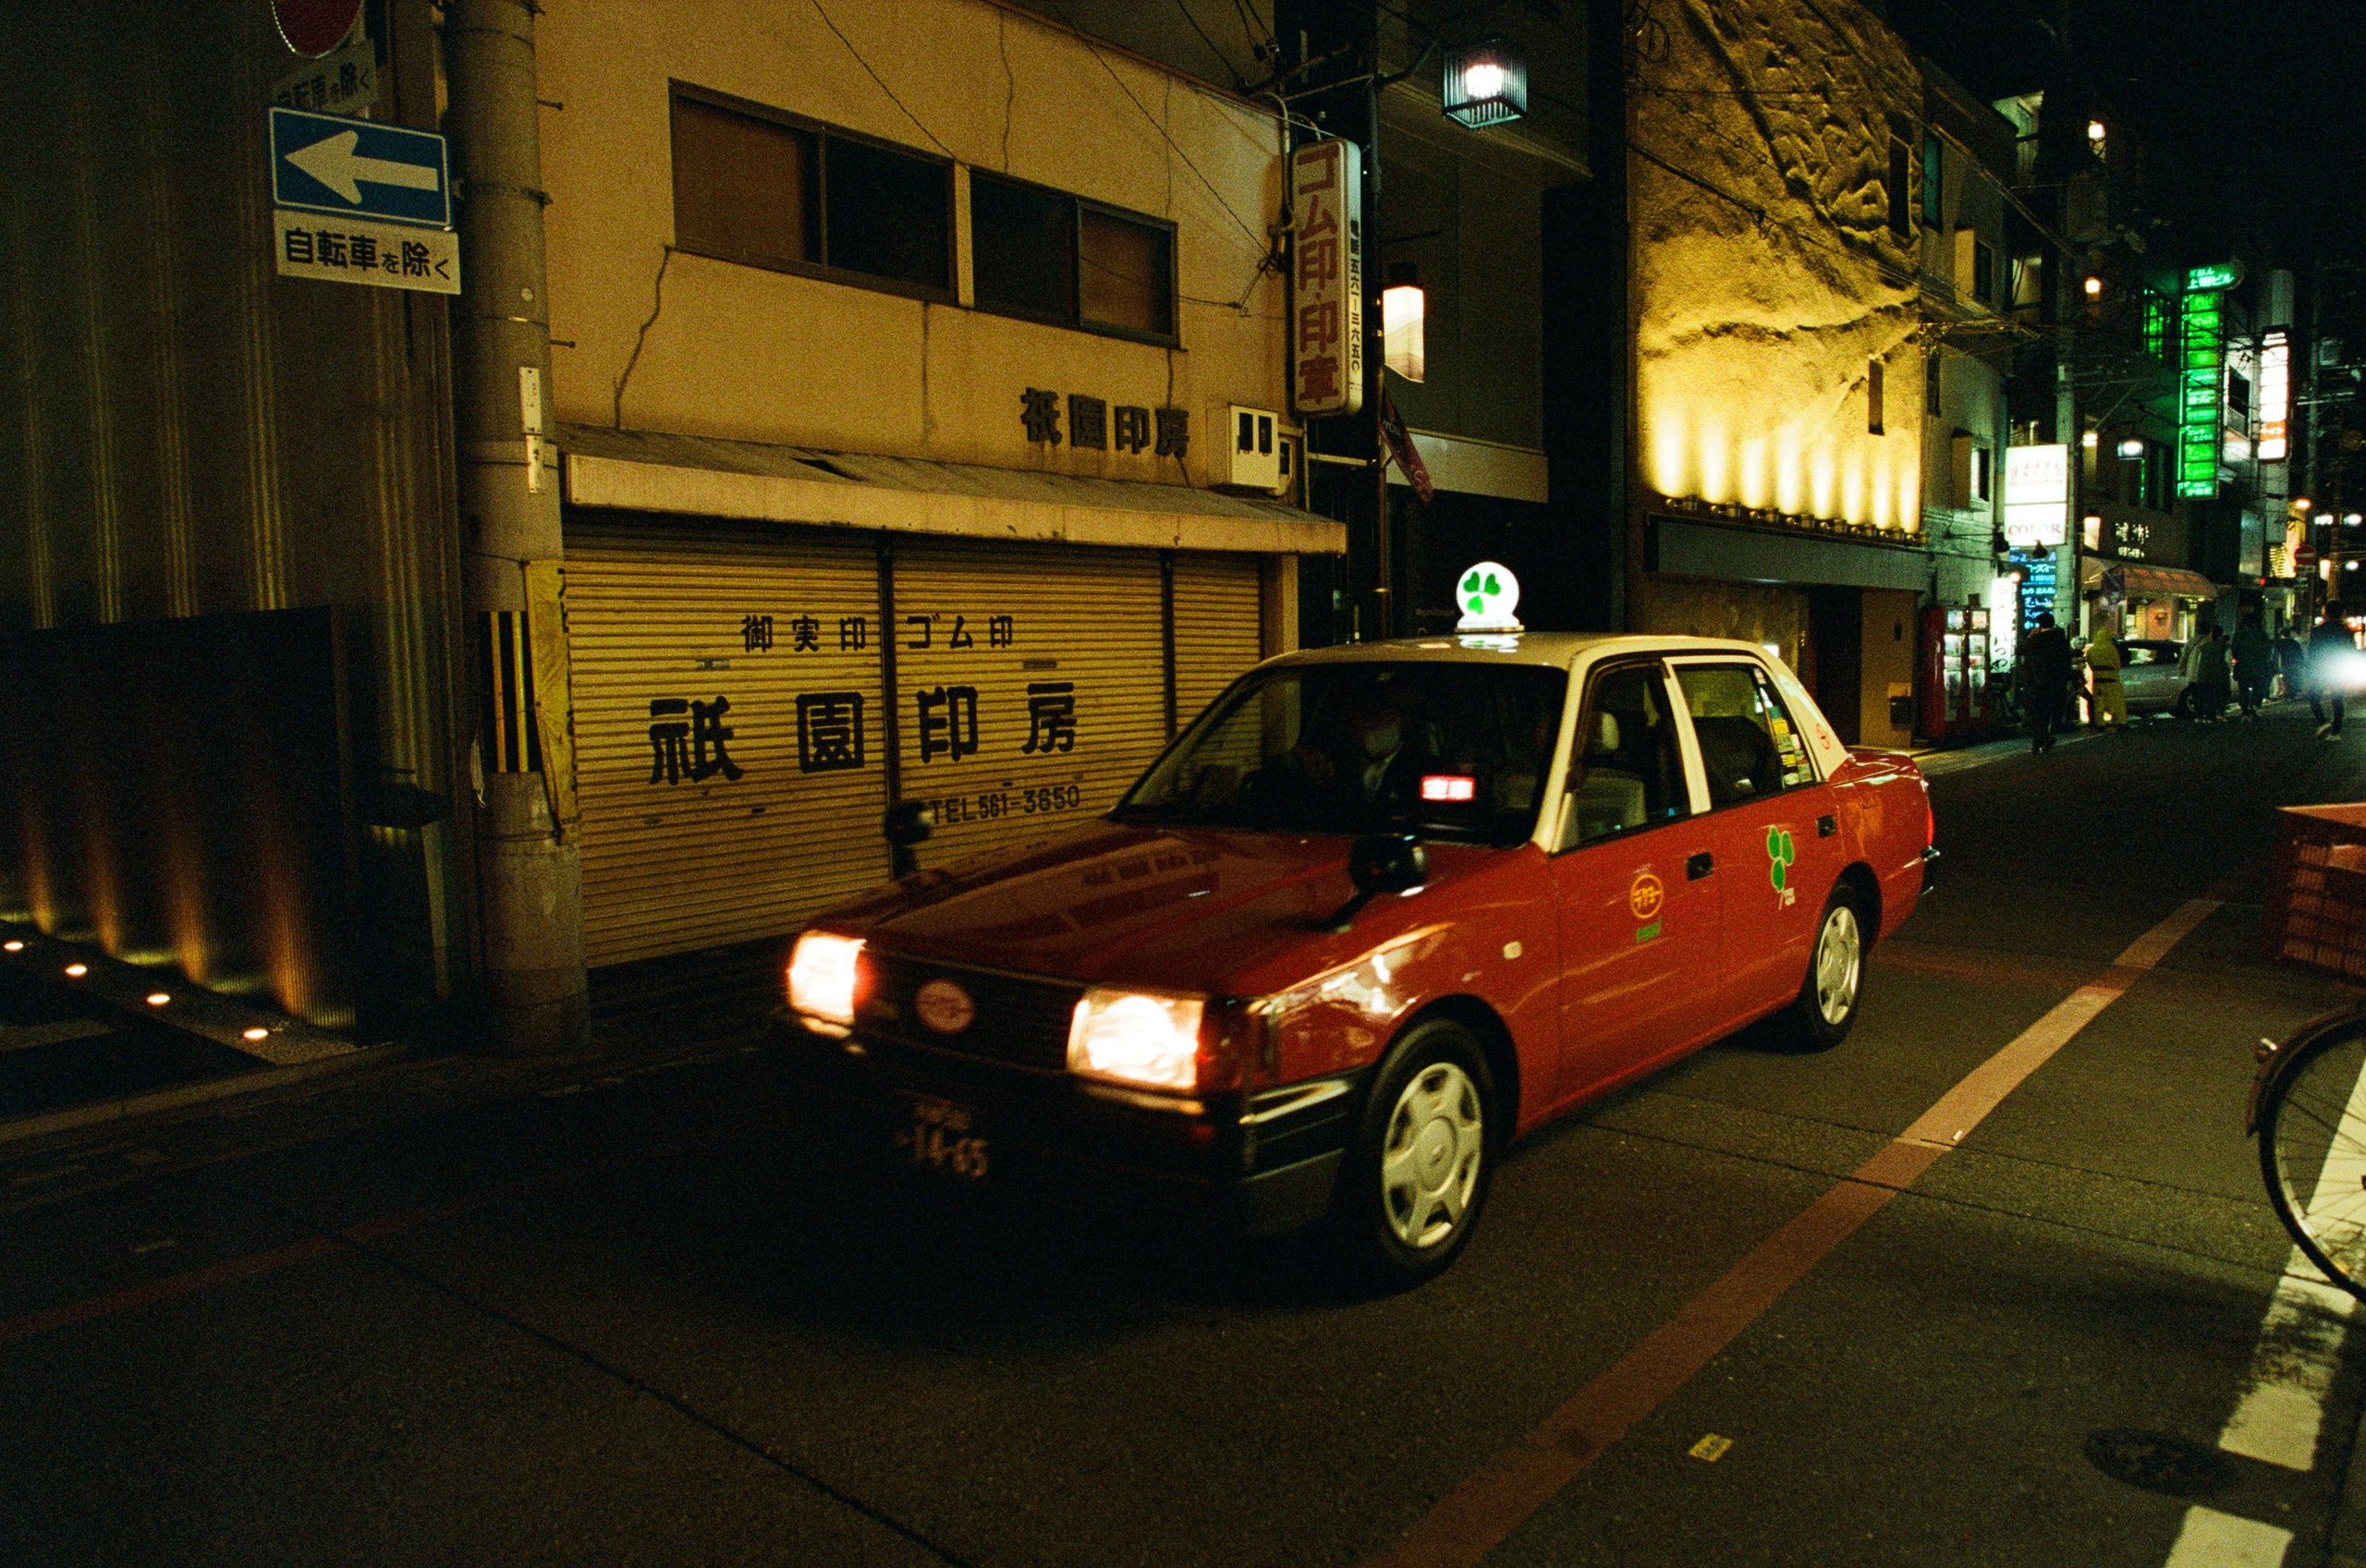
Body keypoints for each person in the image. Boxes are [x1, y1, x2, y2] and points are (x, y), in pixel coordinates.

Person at [2017, 611, 2074, 754]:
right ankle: (2042, 739)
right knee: (2048, 712)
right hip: (2056, 683)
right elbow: (2066, 661)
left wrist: (2031, 636)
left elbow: (2019, 650)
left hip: (2037, 682)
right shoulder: (2060, 640)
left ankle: (2040, 739)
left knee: (2035, 712)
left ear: (2040, 625)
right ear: (2053, 623)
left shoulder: (2035, 640)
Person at [2312, 604, 2356, 740]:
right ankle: (2335, 733)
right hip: (2339, 668)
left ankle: (2323, 722)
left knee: (2313, 697)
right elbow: (2351, 651)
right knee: (2337, 700)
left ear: (2326, 613)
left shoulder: (2319, 631)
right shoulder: (2346, 631)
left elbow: (2313, 651)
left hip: (2321, 668)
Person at [2232, 611, 2276, 719]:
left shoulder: (2238, 635)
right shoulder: (2262, 635)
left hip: (2243, 667)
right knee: (2258, 688)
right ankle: (2255, 707)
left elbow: (2234, 651)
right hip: (2259, 667)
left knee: (2244, 689)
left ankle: (2244, 709)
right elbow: (2268, 651)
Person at [2086, 623, 2128, 732]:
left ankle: (2100, 723)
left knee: (2099, 702)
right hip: (2112, 679)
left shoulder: (2091, 650)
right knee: (2116, 702)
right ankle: (2120, 722)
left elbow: (2090, 664)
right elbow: (2117, 663)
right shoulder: (2111, 648)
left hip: (2098, 680)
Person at [2192, 624, 2232, 722]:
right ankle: (2215, 715)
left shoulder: (2203, 647)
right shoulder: (2225, 648)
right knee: (2218, 696)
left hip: (2203, 676)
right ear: (2221, 635)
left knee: (2204, 696)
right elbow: (2228, 663)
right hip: (2219, 677)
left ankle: (2200, 716)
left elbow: (2196, 662)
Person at [2279, 626, 2311, 702]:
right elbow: (2300, 654)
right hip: (2295, 664)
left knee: (2286, 679)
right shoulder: (2295, 643)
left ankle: (2287, 694)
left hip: (2285, 664)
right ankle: (2292, 694)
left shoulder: (2280, 643)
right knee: (2293, 679)